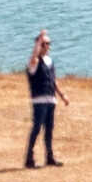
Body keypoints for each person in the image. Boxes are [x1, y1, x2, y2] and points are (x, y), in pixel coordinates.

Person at [24, 29, 69, 167]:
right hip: (39, 100)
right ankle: (29, 159)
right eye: (44, 43)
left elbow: (53, 80)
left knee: (49, 129)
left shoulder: (50, 61)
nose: (47, 46)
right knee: (37, 128)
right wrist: (38, 41)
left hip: (50, 99)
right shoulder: (34, 62)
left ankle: (50, 157)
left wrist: (62, 95)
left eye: (48, 43)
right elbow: (33, 58)